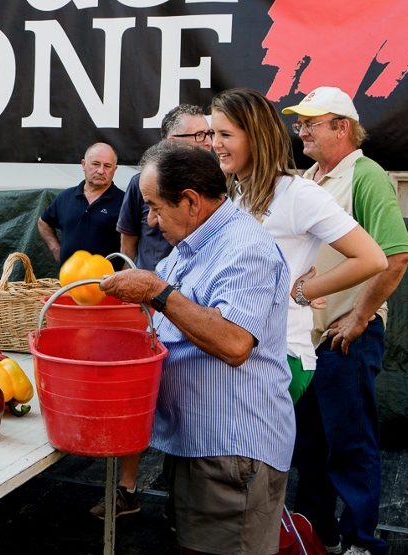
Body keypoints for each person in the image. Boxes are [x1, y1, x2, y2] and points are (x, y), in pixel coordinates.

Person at [101, 141, 294, 555]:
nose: (150, 221)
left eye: (154, 207)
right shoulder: (192, 247)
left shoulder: (246, 248)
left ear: (190, 201)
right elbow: (162, 322)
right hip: (202, 444)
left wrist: (155, 290)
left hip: (232, 452)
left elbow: (234, 341)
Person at [282, 86, 408, 555]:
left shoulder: (367, 175)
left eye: (310, 123)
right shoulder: (312, 177)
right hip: (310, 341)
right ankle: (316, 536)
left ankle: (361, 542)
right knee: (311, 447)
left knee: (351, 445)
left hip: (345, 339)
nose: (301, 131)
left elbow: (396, 255)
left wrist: (359, 317)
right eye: (299, 123)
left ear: (341, 126)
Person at [211, 88, 386, 402]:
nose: (215, 144)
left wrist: (303, 290)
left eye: (225, 134)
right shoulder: (236, 194)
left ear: (255, 136)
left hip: (278, 355)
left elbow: (373, 258)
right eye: (213, 134)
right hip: (237, 351)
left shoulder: (298, 193)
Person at [92, 106, 215, 520]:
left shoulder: (215, 191)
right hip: (148, 306)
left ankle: (180, 487)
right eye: (194, 138)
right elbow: (128, 237)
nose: (206, 144)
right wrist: (133, 285)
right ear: (167, 142)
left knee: (182, 390)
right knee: (136, 395)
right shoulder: (140, 184)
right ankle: (128, 488)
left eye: (208, 136)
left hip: (190, 308)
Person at [117, 105, 213, 270]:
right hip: (148, 289)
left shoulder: (217, 184)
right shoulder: (141, 184)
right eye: (199, 135)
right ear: (173, 141)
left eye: (209, 134)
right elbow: (128, 242)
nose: (209, 142)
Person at [38, 142, 123, 266]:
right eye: (95, 164)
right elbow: (43, 222)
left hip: (107, 282)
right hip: (68, 281)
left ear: (114, 169)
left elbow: (135, 242)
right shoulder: (65, 197)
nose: (100, 171)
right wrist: (56, 249)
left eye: (107, 166)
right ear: (83, 164)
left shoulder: (125, 202)